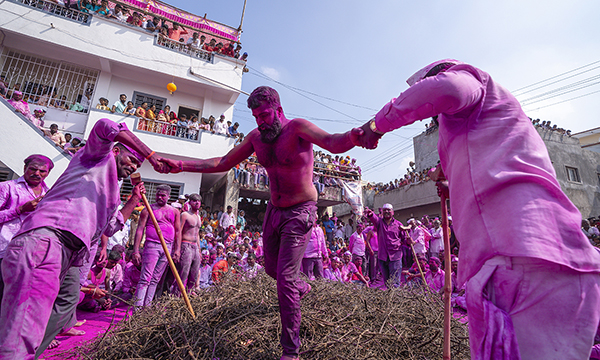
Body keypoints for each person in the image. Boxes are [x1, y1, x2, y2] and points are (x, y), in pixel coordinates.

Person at [355, 59, 600, 359]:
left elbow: (447, 88)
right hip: (541, 266)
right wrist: (446, 181)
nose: (431, 120)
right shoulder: (489, 130)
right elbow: (469, 166)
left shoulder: (473, 84)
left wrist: (376, 125)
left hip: (528, 265)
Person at [158, 86, 362, 360]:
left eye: (264, 115)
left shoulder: (298, 128)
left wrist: (358, 135)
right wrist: (182, 165)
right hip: (274, 209)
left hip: (301, 211)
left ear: (278, 109)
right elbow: (223, 162)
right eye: (255, 116)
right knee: (271, 270)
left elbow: (333, 142)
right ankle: (302, 287)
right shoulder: (257, 137)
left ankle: (291, 351)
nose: (260, 121)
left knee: (285, 280)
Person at [0, 118, 166, 359]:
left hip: (65, 254)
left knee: (37, 320)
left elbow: (110, 227)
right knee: (23, 327)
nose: (134, 167)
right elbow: (106, 126)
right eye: (132, 160)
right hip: (46, 242)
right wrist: (150, 155)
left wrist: (133, 201)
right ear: (116, 150)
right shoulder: (96, 157)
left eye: (138, 164)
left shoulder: (112, 192)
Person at [0, 155, 53, 305]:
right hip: (4, 250)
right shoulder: (8, 187)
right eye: (33, 169)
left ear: (47, 173)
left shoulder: (48, 194)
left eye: (42, 171)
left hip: (30, 254)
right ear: (25, 168)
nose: (37, 173)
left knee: (16, 299)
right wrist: (21, 209)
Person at [132, 184, 181, 307]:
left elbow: (178, 231)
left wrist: (177, 250)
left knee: (155, 279)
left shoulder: (174, 211)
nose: (159, 197)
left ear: (168, 197)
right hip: (152, 246)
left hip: (168, 247)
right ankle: (137, 309)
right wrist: (136, 250)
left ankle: (146, 308)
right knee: (145, 279)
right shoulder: (148, 209)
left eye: (163, 195)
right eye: (158, 194)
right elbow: (140, 229)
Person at [364, 204, 411, 287]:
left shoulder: (398, 224)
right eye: (384, 210)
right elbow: (374, 219)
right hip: (383, 256)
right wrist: (370, 214)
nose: (386, 212)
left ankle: (395, 298)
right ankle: (389, 297)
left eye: (388, 210)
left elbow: (404, 240)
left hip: (395, 256)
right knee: (387, 282)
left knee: (395, 282)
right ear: (382, 212)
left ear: (392, 212)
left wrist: (408, 241)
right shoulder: (379, 223)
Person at [177, 193, 202, 293]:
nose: (197, 203)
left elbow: (197, 234)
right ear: (190, 202)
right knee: (184, 272)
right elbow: (178, 232)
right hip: (185, 245)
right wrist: (178, 249)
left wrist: (199, 250)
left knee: (194, 273)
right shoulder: (185, 215)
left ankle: (188, 295)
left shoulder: (199, 217)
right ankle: (177, 295)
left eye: (199, 201)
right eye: (194, 201)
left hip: (195, 246)